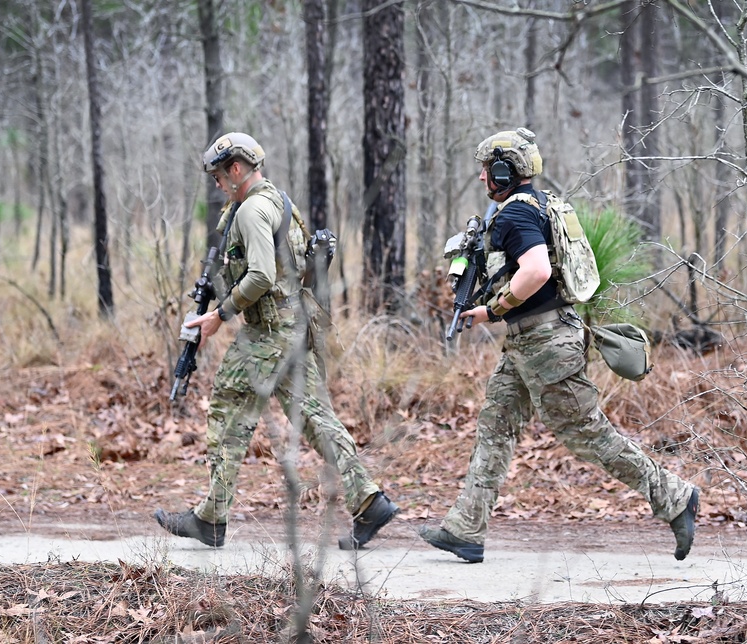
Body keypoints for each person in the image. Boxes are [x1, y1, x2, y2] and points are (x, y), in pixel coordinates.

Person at [419, 128, 699, 563]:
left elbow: (536, 272)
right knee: (495, 428)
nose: (480, 179)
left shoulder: (515, 216)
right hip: (528, 341)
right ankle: (465, 529)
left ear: (503, 171)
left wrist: (492, 311)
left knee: (587, 434)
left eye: (485, 170)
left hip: (547, 344)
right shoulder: (541, 204)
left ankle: (675, 496)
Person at [155, 132, 398, 550]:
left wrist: (219, 315)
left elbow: (262, 276)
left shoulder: (251, 211)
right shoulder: (280, 202)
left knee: (227, 412)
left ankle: (211, 519)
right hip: (291, 327)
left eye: (218, 176)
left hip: (265, 335)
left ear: (236, 169)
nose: (217, 186)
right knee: (316, 418)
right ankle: (369, 501)